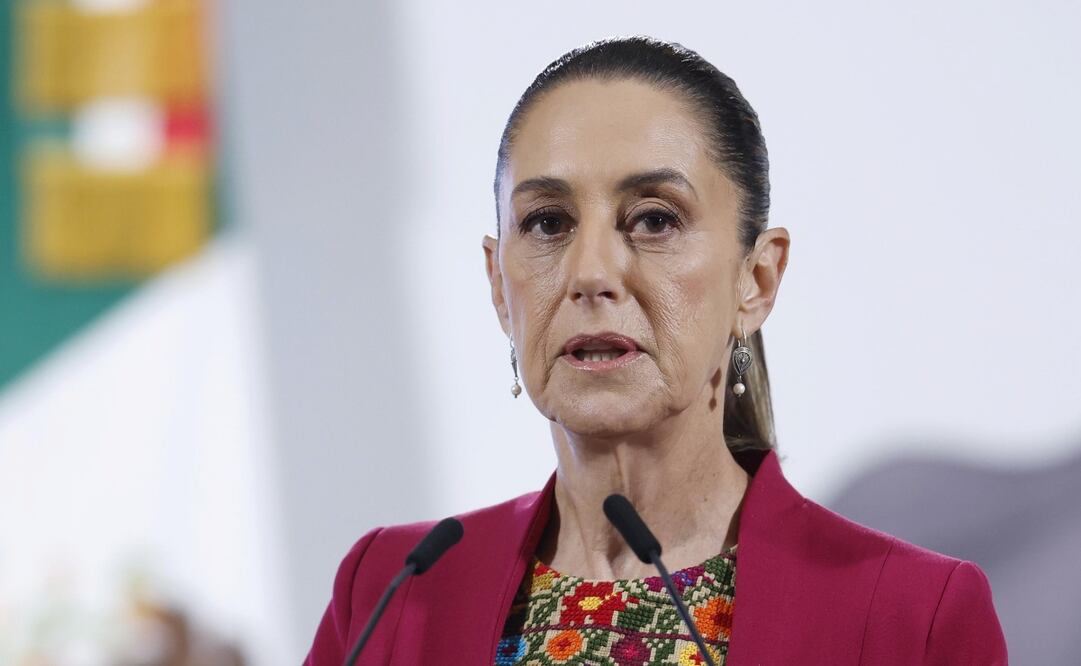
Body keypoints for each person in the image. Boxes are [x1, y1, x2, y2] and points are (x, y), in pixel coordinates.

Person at [304, 35, 1008, 665]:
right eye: (547, 222)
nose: (589, 274)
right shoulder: (392, 588)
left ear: (756, 280)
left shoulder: (912, 617)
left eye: (652, 220)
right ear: (497, 283)